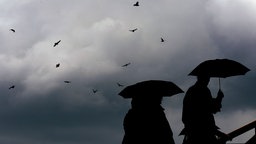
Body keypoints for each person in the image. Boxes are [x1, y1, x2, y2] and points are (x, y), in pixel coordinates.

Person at [181, 75, 229, 144]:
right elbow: (211, 109)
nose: (208, 81)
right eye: (208, 78)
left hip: (192, 133)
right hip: (204, 134)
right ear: (205, 79)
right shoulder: (203, 91)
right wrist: (219, 98)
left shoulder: (191, 90)